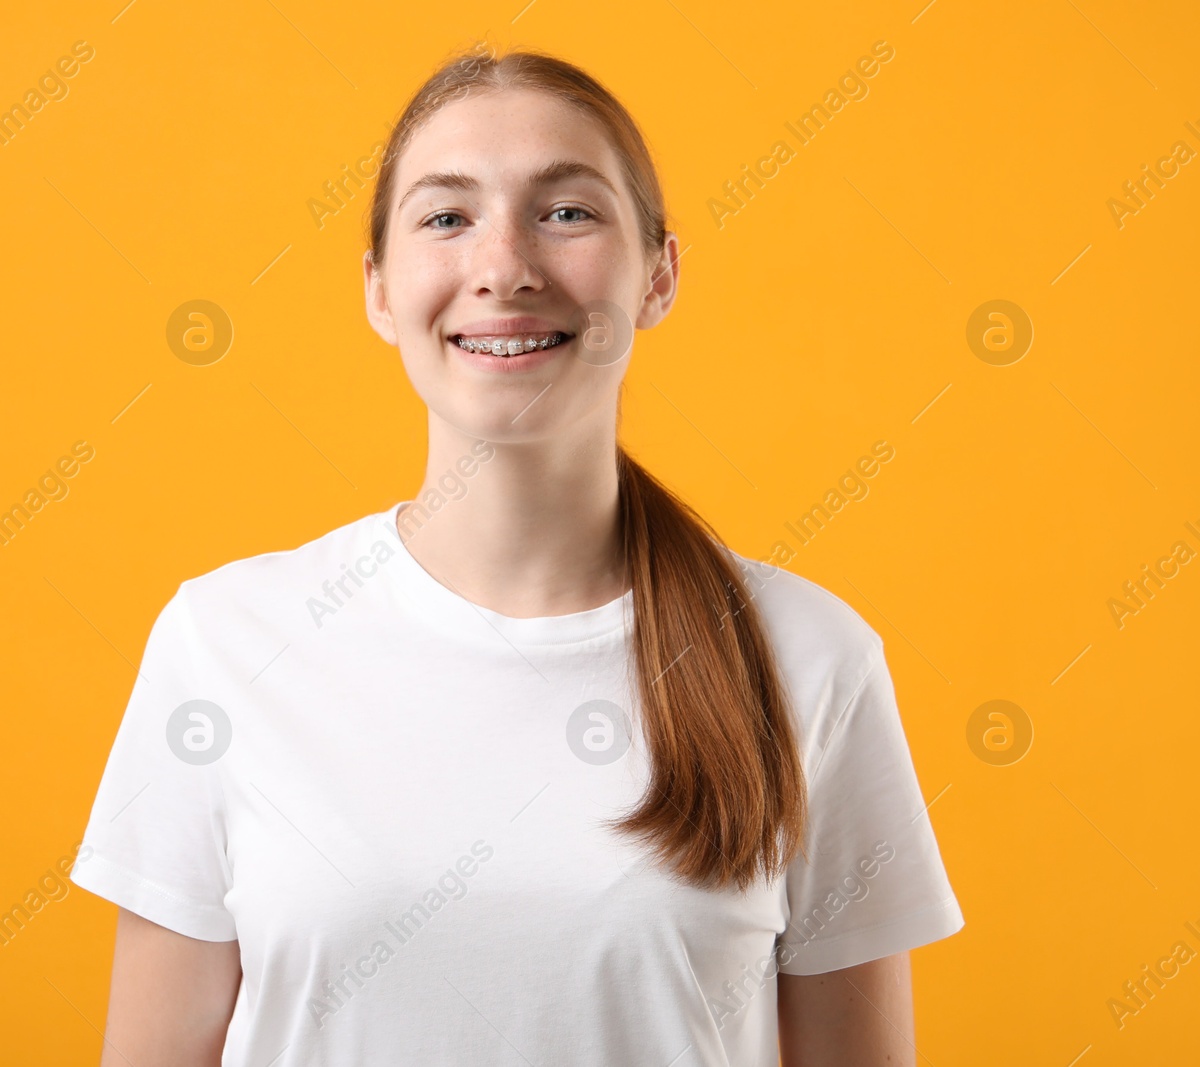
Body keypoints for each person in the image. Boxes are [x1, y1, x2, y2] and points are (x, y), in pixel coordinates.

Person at [69, 44, 962, 1067]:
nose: (504, 267)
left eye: (567, 212)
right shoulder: (224, 645)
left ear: (659, 272)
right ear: (377, 288)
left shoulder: (809, 656)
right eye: (447, 217)